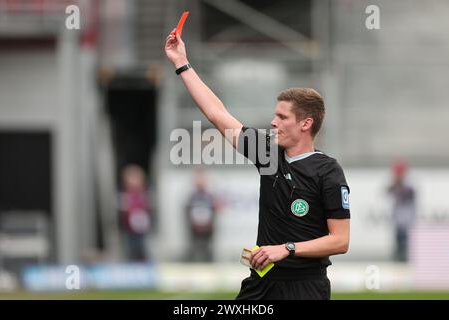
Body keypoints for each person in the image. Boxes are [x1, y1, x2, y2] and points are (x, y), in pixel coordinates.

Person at [165, 30, 350, 300]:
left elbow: (340, 241)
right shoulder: (268, 155)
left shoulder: (327, 171)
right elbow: (218, 114)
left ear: (305, 124)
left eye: (282, 116)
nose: (273, 122)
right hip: (261, 284)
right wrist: (182, 63)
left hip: (305, 288)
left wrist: (287, 248)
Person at [119, 164, 152, 261]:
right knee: (130, 250)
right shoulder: (125, 195)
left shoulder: (143, 195)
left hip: (142, 229)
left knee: (142, 249)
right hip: (129, 230)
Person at [184, 169, 219, 262]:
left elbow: (214, 212)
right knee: (194, 249)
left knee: (207, 250)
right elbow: (187, 213)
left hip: (207, 229)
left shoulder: (209, 196)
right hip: (194, 229)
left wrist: (210, 225)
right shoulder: (192, 197)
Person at [388, 159, 416, 262]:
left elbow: (408, 194)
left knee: (406, 239)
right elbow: (387, 191)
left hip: (407, 218)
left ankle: (405, 257)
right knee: (398, 238)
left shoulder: (409, 185)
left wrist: (398, 184)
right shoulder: (395, 184)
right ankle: (399, 256)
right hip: (398, 218)